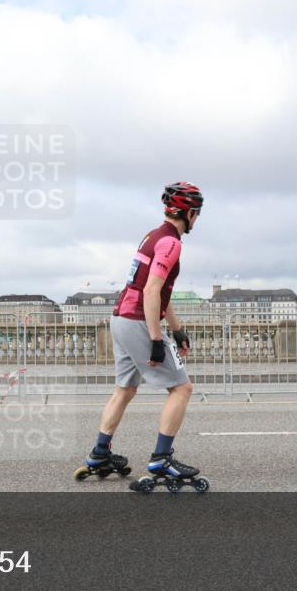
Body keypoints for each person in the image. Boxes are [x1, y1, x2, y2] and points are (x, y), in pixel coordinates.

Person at [74, 182, 209, 492]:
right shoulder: (172, 244)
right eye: (197, 214)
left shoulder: (153, 236)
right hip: (137, 320)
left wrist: (176, 329)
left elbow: (159, 291)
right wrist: (157, 339)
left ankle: (100, 453)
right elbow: (151, 291)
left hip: (120, 317)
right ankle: (162, 459)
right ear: (187, 213)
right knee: (182, 388)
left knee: (125, 388)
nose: (197, 220)